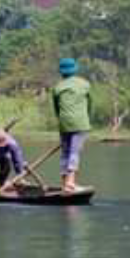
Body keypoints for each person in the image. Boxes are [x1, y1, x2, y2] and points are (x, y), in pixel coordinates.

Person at [51, 57, 91, 193]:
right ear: (75, 70)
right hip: (80, 123)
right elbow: (90, 105)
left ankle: (65, 183)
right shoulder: (85, 84)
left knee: (65, 153)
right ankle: (70, 184)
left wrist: (62, 122)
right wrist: (86, 120)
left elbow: (56, 109)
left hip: (64, 124)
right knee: (74, 153)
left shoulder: (57, 87)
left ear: (61, 72)